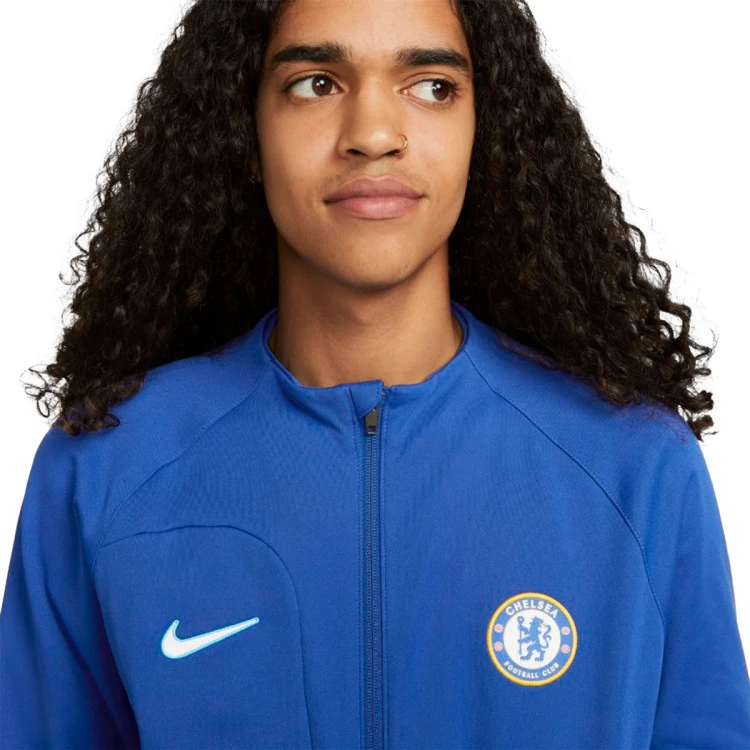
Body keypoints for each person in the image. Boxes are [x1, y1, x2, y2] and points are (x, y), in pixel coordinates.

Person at [1, 0, 748, 747]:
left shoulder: (639, 472)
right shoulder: (102, 475)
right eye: (316, 83)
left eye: (432, 86)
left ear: (482, 131)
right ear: (246, 131)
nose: (374, 134)